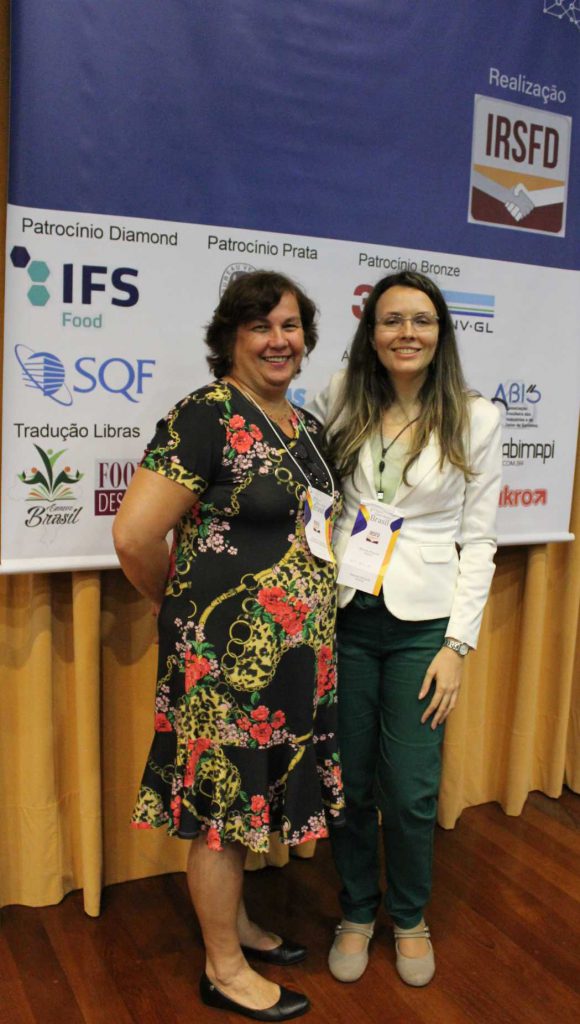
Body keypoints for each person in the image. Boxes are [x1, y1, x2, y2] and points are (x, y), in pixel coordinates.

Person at [113, 270, 344, 1022]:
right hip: (225, 665)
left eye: (290, 326)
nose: (279, 340)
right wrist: (181, 608)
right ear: (231, 339)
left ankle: (236, 927)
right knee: (223, 806)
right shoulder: (205, 416)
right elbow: (135, 536)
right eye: (260, 326)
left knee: (248, 802)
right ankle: (222, 969)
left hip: (295, 661)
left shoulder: (305, 428)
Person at [311, 270, 502, 987]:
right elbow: (313, 491)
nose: (406, 333)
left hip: (425, 625)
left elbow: (479, 540)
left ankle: (411, 918)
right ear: (371, 333)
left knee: (414, 790)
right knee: (350, 781)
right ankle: (358, 911)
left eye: (421, 320)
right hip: (347, 614)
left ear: (441, 332)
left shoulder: (476, 418)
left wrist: (458, 645)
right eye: (391, 320)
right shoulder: (342, 395)